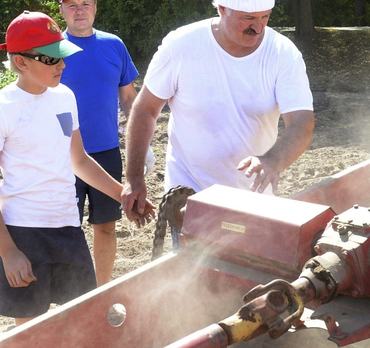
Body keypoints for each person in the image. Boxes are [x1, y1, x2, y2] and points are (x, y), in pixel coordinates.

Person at [0, 11, 155, 326]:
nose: (62, 65)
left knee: (85, 322)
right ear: (21, 62)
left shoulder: (64, 97)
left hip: (67, 228)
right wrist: (8, 251)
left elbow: (78, 160)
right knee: (29, 334)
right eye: (53, 59)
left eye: (62, 57)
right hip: (22, 233)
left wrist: (122, 193)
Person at [121, 0, 315, 222]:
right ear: (222, 9)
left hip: (254, 199)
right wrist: (134, 176)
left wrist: (272, 160)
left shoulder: (282, 53)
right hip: (189, 194)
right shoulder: (182, 45)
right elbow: (146, 109)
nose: (258, 28)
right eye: (248, 19)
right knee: (191, 257)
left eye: (265, 17)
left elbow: (302, 122)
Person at [58, 0, 147, 286]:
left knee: (106, 226)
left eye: (85, 3)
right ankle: (70, 296)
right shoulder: (51, 49)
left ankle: (101, 290)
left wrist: (143, 146)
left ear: (95, 6)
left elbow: (130, 100)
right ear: (61, 9)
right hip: (62, 156)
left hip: (107, 153)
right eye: (71, 4)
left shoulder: (114, 45)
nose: (79, 10)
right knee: (64, 231)